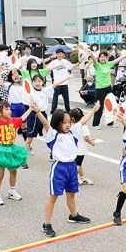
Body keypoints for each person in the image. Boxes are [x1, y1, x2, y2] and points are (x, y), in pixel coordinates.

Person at [35, 102, 100, 238]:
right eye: (64, 122)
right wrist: (37, 111)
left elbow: (82, 121)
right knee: (54, 197)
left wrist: (93, 109)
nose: (67, 125)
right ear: (57, 123)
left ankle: (73, 215)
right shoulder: (53, 135)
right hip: (59, 168)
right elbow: (46, 123)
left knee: (71, 194)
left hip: (72, 167)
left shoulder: (73, 133)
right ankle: (46, 224)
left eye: (69, 122)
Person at [0, 101, 31, 205]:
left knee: (14, 171)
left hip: (12, 149)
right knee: (1, 174)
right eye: (7, 109)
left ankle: (12, 191)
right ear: (0, 112)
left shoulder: (13, 121)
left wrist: (31, 108)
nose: (10, 111)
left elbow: (22, 118)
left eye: (9, 109)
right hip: (1, 150)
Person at [24, 73, 72, 166]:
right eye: (35, 81)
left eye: (39, 81)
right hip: (34, 115)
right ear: (32, 83)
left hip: (43, 114)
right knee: (29, 138)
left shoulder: (45, 91)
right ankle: (22, 159)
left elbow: (56, 83)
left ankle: (53, 154)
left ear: (43, 82)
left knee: (51, 133)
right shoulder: (31, 92)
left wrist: (67, 77)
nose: (37, 83)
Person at [90, 51, 126, 129]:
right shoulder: (97, 65)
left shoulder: (109, 64)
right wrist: (91, 54)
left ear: (107, 58)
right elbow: (94, 60)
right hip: (100, 88)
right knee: (99, 106)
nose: (103, 58)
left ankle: (110, 122)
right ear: (99, 58)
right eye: (101, 57)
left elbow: (117, 59)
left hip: (108, 88)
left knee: (111, 105)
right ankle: (95, 124)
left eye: (104, 57)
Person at [70, 108, 96, 185]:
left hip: (73, 148)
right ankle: (72, 180)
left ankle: (83, 178)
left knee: (78, 164)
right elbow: (86, 137)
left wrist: (90, 137)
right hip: (80, 149)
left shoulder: (72, 126)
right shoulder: (83, 126)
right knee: (77, 165)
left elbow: (86, 135)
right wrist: (92, 142)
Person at [50, 49, 75, 114]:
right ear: (56, 54)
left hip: (64, 83)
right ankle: (53, 111)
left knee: (66, 99)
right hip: (56, 84)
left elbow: (72, 67)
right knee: (55, 98)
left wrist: (79, 62)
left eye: (61, 53)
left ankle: (68, 110)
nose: (59, 55)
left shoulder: (66, 61)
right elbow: (48, 68)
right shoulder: (53, 62)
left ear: (63, 54)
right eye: (58, 53)